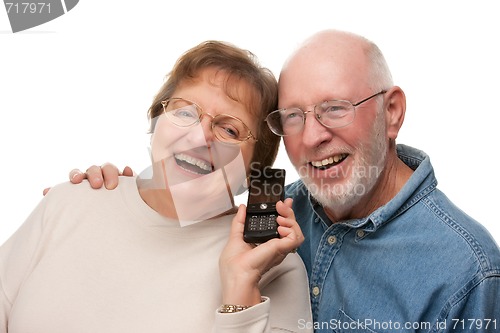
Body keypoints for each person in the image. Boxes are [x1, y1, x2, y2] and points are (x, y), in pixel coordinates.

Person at [71, 30, 500, 332]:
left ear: (392, 113)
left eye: (335, 107)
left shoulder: (469, 270)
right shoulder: (270, 205)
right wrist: (119, 197)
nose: (312, 137)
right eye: (293, 116)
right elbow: (191, 191)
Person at [0, 41, 313, 332]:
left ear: (253, 170)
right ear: (154, 123)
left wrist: (241, 286)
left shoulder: (276, 266)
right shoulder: (68, 202)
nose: (199, 136)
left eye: (229, 130)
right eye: (185, 112)